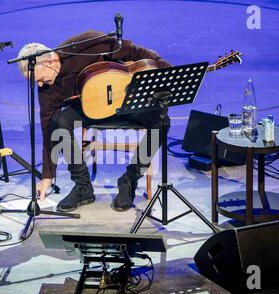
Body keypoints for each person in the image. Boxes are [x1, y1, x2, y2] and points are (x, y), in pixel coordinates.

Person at [17, 30, 171, 212]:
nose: (41, 85)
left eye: (40, 79)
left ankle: (130, 180)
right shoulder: (48, 89)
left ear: (50, 62)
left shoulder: (85, 45)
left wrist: (165, 70)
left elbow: (133, 50)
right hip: (90, 109)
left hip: (124, 101)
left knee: (162, 122)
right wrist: (47, 176)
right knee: (59, 121)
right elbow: (47, 129)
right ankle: (83, 186)